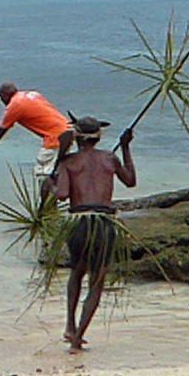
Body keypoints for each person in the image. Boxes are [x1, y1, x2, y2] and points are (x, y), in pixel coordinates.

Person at [52, 116, 136, 353]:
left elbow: (62, 195)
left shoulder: (68, 162)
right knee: (97, 281)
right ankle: (78, 338)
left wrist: (51, 182)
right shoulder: (109, 159)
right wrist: (127, 148)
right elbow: (130, 181)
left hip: (78, 222)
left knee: (76, 272)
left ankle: (70, 323)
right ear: (98, 137)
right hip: (103, 222)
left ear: (77, 138)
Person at [0, 82, 71, 186]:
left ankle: (47, 201)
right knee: (56, 169)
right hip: (68, 129)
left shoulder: (15, 106)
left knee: (43, 173)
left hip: (55, 137)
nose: (2, 101)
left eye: (1, 98)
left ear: (5, 95)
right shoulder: (32, 94)